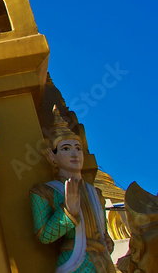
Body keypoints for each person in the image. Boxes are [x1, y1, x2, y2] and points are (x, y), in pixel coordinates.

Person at [31, 106, 116, 272]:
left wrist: (108, 242)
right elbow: (44, 235)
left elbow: (103, 231)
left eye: (78, 148)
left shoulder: (95, 193)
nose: (74, 154)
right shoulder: (45, 192)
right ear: (52, 156)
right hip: (74, 262)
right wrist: (68, 213)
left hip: (102, 261)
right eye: (66, 149)